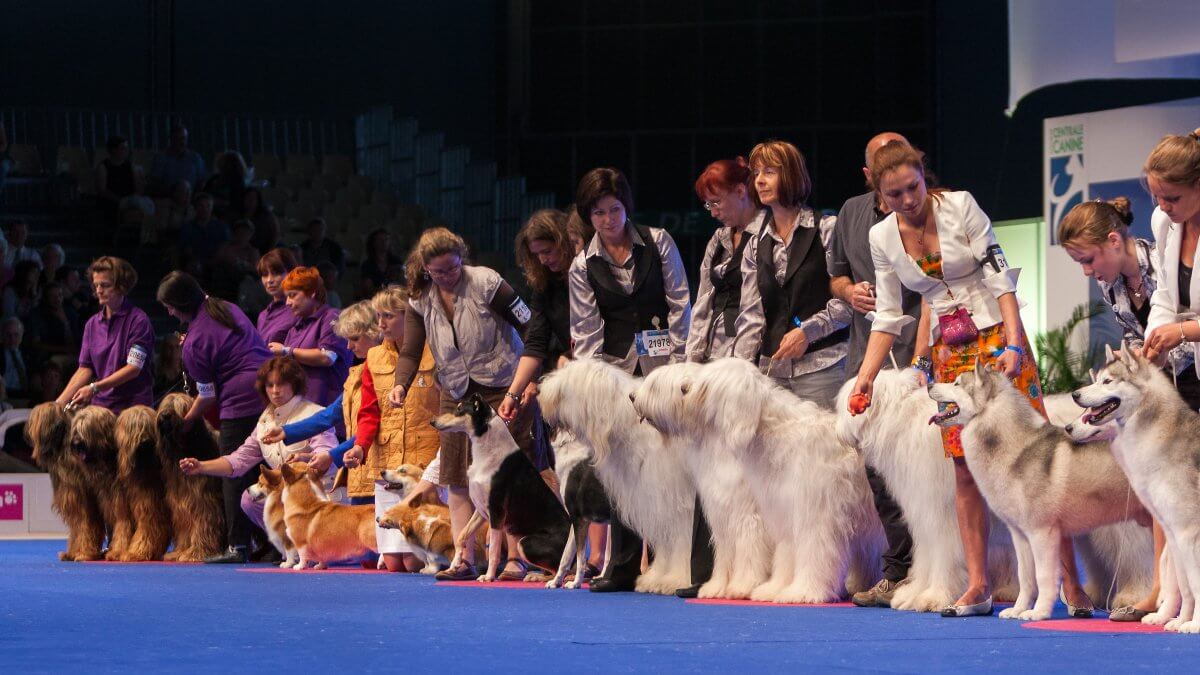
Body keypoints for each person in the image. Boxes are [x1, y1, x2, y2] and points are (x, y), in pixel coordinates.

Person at [848, 141, 1046, 618]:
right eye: (894, 194)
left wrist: (1015, 345)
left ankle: (1064, 582)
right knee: (964, 467)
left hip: (997, 336)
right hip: (950, 351)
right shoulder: (881, 237)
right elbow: (888, 315)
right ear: (879, 195)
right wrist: (865, 377)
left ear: (923, 175)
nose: (907, 200)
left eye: (913, 187)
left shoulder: (960, 206)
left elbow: (1000, 276)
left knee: (1035, 456)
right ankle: (978, 584)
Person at [391, 227, 545, 582]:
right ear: (425, 268)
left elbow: (530, 327)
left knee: (511, 474)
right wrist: (400, 385)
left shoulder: (487, 282)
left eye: (453, 267)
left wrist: (531, 378)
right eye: (438, 271)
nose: (448, 276)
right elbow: (411, 351)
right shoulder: (419, 298)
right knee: (456, 474)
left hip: (503, 384)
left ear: (462, 257)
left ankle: (517, 558)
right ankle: (463, 557)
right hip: (456, 392)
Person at [568, 167, 691, 593]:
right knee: (623, 471)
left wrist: (680, 368)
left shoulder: (659, 241)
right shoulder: (582, 265)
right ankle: (621, 565)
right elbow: (586, 334)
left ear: (627, 207)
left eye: (615, 209)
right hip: (617, 376)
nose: (608, 220)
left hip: (663, 371)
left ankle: (674, 560)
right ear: (588, 216)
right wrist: (593, 390)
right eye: (598, 213)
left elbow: (680, 305)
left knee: (670, 467)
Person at [1058, 196, 1179, 621]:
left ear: (1113, 241)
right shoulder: (1110, 284)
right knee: (1161, 495)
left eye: (1088, 260)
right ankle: (1162, 588)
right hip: (1161, 391)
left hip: (1186, 383)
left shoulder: (1163, 261)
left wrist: (1154, 357)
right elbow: (1135, 343)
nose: (1087, 271)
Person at [828, 132, 920, 609]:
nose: (904, 196)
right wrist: (848, 292)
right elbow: (836, 274)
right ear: (870, 177)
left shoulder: (936, 210)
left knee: (929, 471)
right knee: (880, 474)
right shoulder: (852, 214)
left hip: (925, 354)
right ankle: (899, 570)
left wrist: (922, 359)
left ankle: (941, 569)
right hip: (870, 357)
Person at [667, 158, 766, 598]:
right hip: (711, 363)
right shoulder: (718, 240)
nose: (713, 211)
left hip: (744, 368)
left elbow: (754, 311)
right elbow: (702, 302)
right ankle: (709, 570)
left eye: (717, 202)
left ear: (742, 191)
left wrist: (737, 372)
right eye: (707, 205)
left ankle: (750, 568)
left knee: (741, 477)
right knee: (710, 473)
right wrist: (691, 365)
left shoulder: (765, 234)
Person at [500, 208, 606, 580]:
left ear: (565, 240)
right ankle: (580, 559)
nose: (545, 259)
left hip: (598, 380)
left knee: (598, 472)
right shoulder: (544, 288)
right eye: (538, 255)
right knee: (570, 475)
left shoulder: (594, 272)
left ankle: (599, 559)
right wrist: (513, 393)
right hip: (562, 387)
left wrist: (574, 359)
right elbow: (535, 343)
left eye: (549, 250)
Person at [157, 271, 272, 564]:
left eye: (170, 307)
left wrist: (187, 421)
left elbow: (207, 395)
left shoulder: (194, 342)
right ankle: (272, 543)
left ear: (181, 304)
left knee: (233, 473)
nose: (169, 313)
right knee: (264, 470)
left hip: (240, 402)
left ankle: (237, 546)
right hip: (271, 391)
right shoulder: (226, 308)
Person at [178, 356, 337, 555]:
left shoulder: (315, 414)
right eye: (270, 385)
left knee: (334, 556)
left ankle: (313, 546)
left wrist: (305, 460)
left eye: (281, 383)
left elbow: (327, 455)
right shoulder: (264, 422)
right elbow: (238, 461)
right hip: (290, 499)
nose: (275, 390)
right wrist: (201, 466)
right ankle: (291, 548)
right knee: (250, 499)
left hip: (322, 496)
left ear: (295, 384)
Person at [733, 140, 849, 405]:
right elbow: (751, 316)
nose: (760, 181)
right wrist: (739, 372)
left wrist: (808, 332)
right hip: (772, 374)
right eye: (756, 173)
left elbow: (848, 302)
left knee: (824, 434)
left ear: (791, 175)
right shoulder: (755, 243)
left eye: (769, 172)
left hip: (823, 367)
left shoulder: (827, 229)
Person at [55, 257, 154, 414]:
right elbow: (85, 369)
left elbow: (134, 368)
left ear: (122, 286)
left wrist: (95, 387)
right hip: (101, 407)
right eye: (96, 285)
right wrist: (58, 404)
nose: (99, 290)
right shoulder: (92, 324)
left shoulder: (139, 320)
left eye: (105, 285)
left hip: (134, 409)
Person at [268, 267, 350, 407]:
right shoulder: (295, 328)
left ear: (312, 293)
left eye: (292, 295)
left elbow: (327, 357)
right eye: (287, 296)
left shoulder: (332, 316)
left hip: (326, 408)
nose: (287, 302)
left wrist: (286, 351)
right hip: (299, 407)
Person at [255, 248, 300, 345]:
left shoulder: (299, 311)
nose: (269, 280)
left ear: (291, 273)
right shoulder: (263, 316)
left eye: (276, 273)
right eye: (265, 274)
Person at [178, 193, 230, 276]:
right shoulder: (188, 227)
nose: (204, 209)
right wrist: (197, 262)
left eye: (208, 206)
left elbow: (224, 247)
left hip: (216, 263)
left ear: (212, 208)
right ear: (195, 207)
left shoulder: (221, 227)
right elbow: (187, 249)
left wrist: (212, 262)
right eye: (201, 206)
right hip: (195, 263)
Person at [149, 123, 206, 197]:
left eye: (183, 138)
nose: (181, 142)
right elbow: (155, 183)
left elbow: (202, 182)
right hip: (167, 199)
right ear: (171, 139)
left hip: (192, 199)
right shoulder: (160, 159)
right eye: (177, 139)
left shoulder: (195, 158)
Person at [95, 135, 142, 226]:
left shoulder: (131, 166)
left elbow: (138, 188)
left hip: (130, 200)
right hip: (111, 201)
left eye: (126, 148)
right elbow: (102, 190)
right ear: (114, 150)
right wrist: (120, 200)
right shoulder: (103, 167)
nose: (126, 151)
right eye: (123, 148)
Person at [29, 282, 77, 364]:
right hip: (52, 356)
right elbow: (36, 344)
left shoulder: (70, 312)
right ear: (46, 298)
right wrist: (63, 349)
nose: (57, 299)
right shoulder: (38, 315)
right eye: (52, 296)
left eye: (60, 295)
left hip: (75, 353)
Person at [202, 151, 248, 220]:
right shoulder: (214, 178)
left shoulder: (238, 182)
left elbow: (237, 204)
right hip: (209, 214)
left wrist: (217, 202)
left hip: (228, 216)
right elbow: (203, 195)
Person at [359, 228, 402, 300]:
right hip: (376, 300)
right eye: (380, 239)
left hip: (394, 299)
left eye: (386, 239)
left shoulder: (396, 261)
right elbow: (368, 290)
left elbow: (402, 283)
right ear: (374, 243)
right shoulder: (368, 265)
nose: (384, 242)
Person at [241, 187, 281, 254]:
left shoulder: (267, 216)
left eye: (253, 198)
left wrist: (268, 252)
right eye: (248, 198)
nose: (250, 201)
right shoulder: (238, 216)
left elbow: (276, 234)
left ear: (258, 200)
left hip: (264, 250)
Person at [0, 317, 29, 401]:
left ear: (21, 335)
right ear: (2, 335)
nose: (12, 339)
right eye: (8, 335)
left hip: (26, 395)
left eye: (16, 335)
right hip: (4, 395)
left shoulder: (29, 352)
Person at [154, 333, 185, 397]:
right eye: (169, 347)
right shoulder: (154, 373)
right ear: (164, 349)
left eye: (177, 346)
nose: (173, 350)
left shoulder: (188, 374)